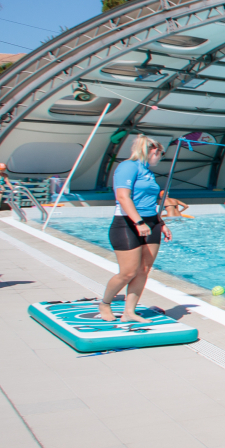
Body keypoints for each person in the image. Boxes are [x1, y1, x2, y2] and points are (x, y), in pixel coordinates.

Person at [97, 136, 166, 322]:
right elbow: (123, 197)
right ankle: (105, 303)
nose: (161, 157)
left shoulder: (148, 172)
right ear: (152, 150)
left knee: (144, 269)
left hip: (152, 222)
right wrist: (138, 222)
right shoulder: (128, 166)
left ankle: (129, 312)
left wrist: (162, 223)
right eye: (161, 153)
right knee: (128, 272)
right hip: (128, 223)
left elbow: (150, 203)